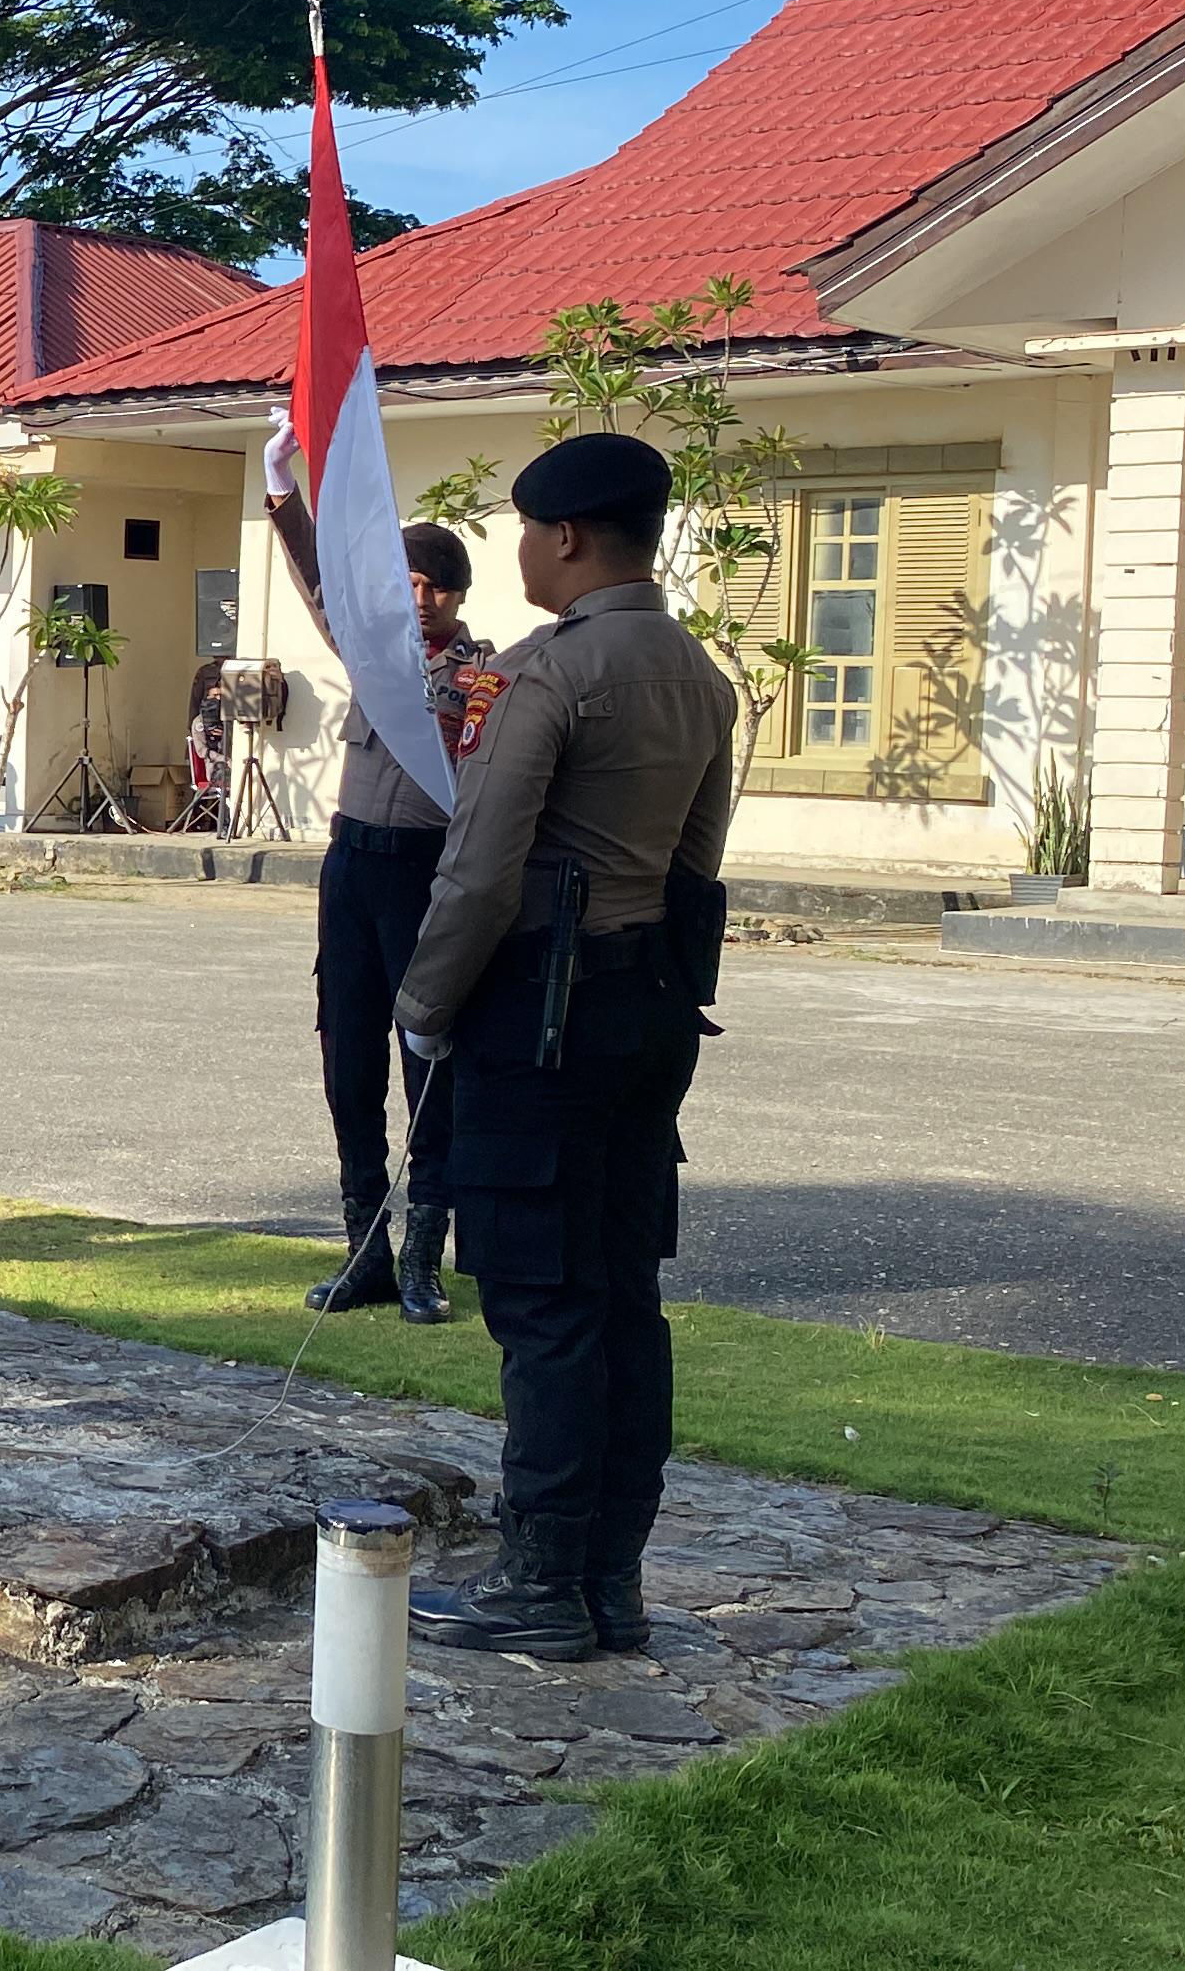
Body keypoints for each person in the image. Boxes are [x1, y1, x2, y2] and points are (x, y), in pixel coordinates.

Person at [395, 432, 735, 1663]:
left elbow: (480, 874)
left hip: (539, 1012)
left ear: (570, 536)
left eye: (527, 532)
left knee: (541, 1303)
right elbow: (697, 863)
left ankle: (540, 1583)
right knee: (620, 1297)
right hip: (647, 1004)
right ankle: (609, 1578)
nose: (522, 552)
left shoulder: (550, 675)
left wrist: (424, 1008)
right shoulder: (699, 673)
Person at [265, 415, 501, 1326]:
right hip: (353, 869)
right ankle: (363, 1247)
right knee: (348, 1058)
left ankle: (422, 1263)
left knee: (428, 1063)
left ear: (458, 595)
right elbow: (323, 585)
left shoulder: (483, 676)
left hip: (427, 877)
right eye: (411, 581)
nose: (426, 596)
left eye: (441, 585)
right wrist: (282, 490)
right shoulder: (372, 653)